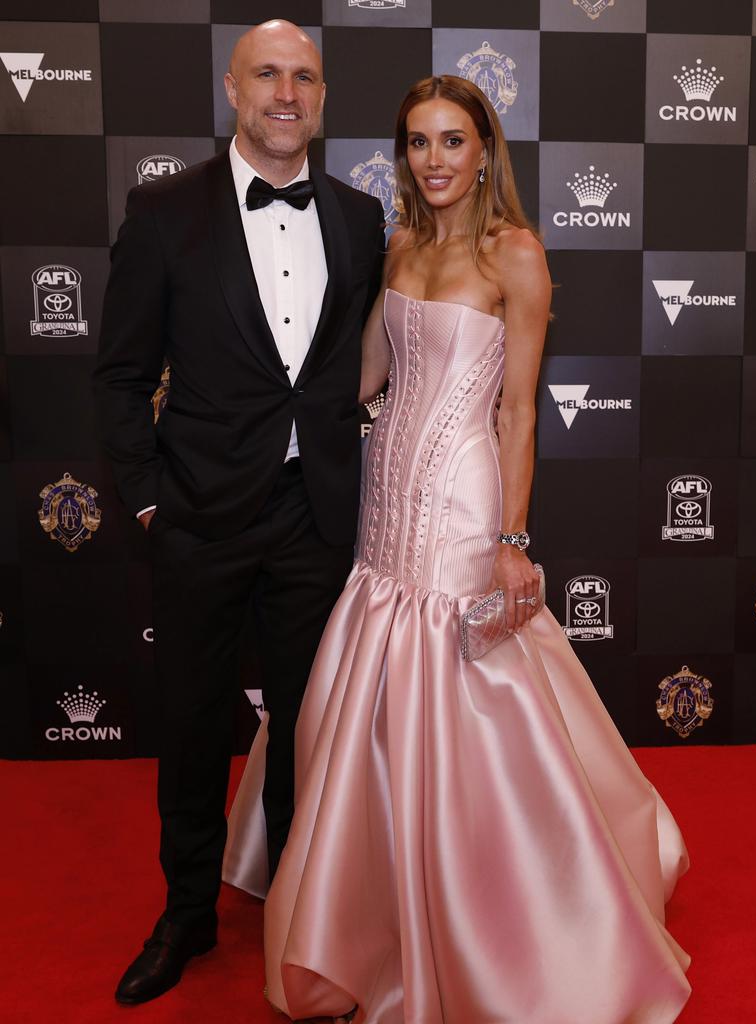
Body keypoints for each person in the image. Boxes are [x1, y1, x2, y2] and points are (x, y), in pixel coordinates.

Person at [228, 75, 692, 1022]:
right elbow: (362, 380)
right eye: (416, 142)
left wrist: (514, 541)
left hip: (464, 500)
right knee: (371, 693)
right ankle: (372, 908)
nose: (432, 160)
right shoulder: (397, 247)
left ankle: (497, 913)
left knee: (463, 694)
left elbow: (518, 412)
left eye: (451, 140)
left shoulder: (516, 253)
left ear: (485, 151)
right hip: (384, 494)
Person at [93, 20, 384, 1006]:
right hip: (199, 518)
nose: (287, 92)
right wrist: (145, 501)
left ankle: (306, 919)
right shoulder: (164, 210)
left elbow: (364, 369)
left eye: (305, 76)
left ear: (322, 94)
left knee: (311, 733)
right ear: (233, 86)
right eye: (268, 73)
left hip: (315, 518)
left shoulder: (354, 216)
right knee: (187, 727)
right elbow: (122, 374)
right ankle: (185, 915)